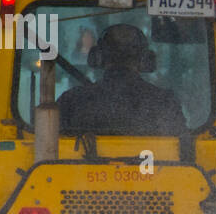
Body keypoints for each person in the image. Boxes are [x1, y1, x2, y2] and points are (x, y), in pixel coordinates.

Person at [57, 24, 187, 136]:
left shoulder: (72, 101)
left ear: (98, 57)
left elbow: (50, 144)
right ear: (145, 60)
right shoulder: (164, 102)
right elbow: (183, 147)